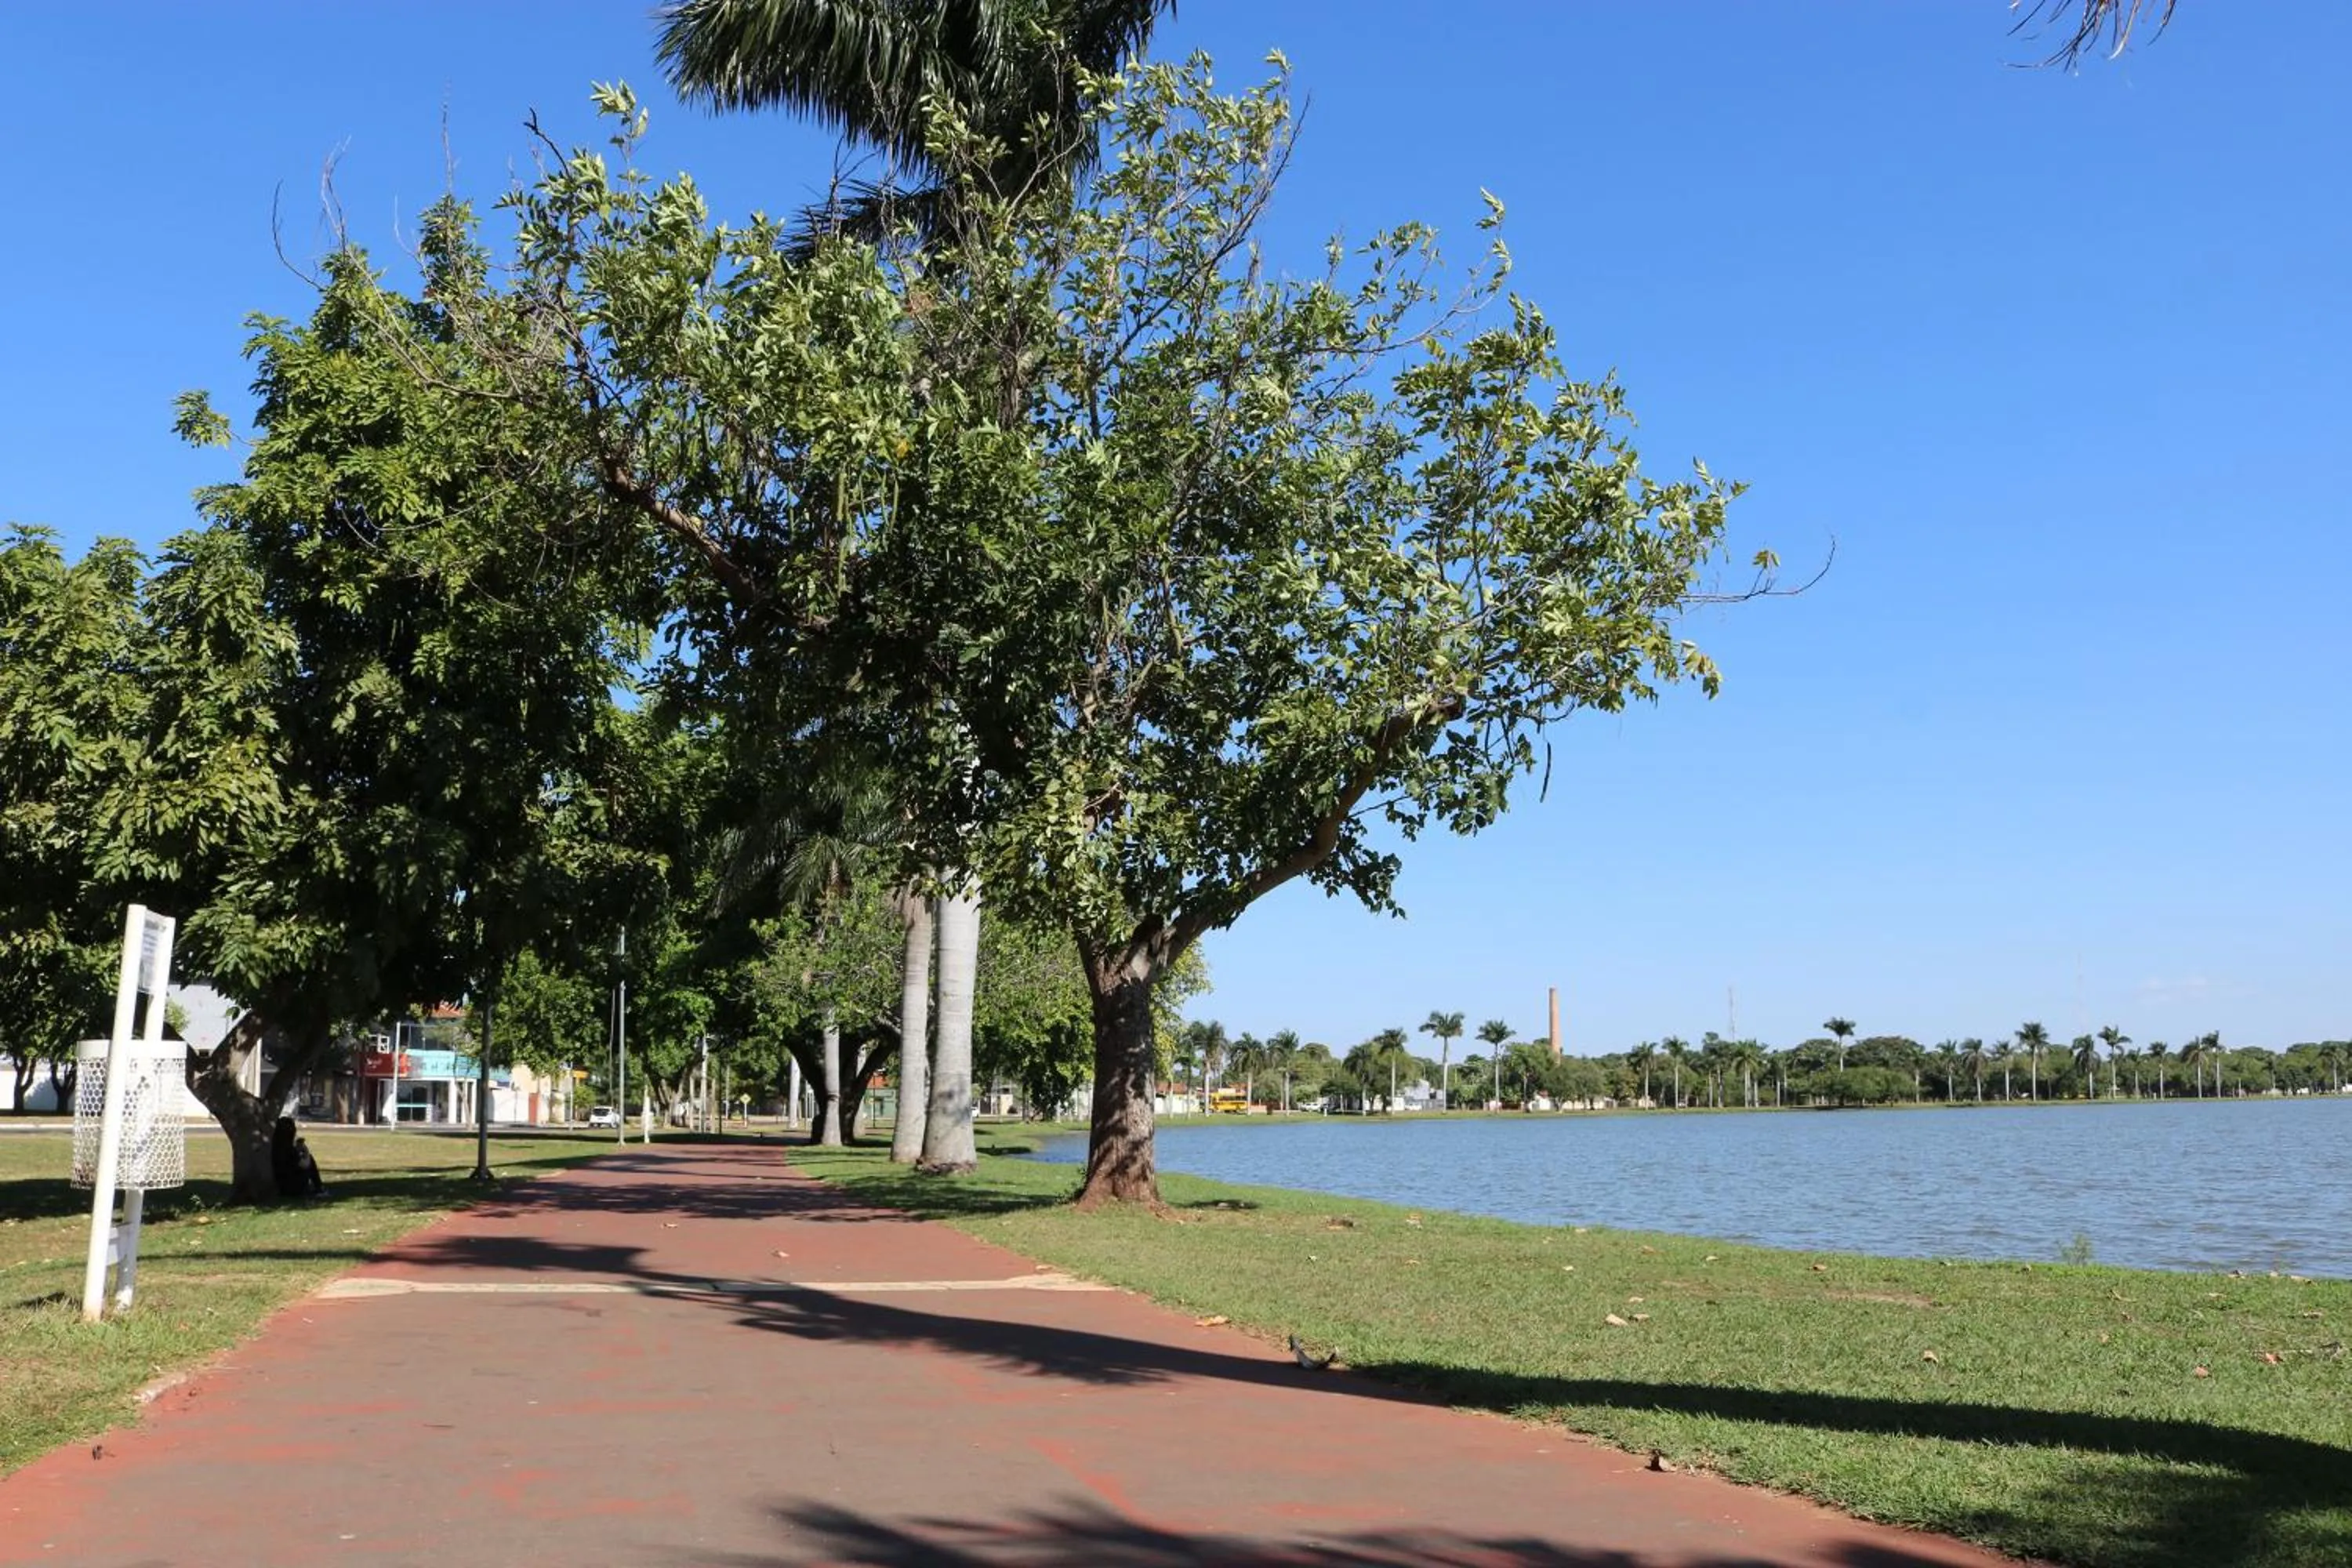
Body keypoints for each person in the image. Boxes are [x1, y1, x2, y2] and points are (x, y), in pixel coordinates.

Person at [270, 1116, 328, 1200]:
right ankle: (319, 1188)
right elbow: (305, 1165)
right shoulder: (289, 1150)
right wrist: (306, 1151)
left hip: (278, 1184)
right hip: (291, 1188)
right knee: (310, 1160)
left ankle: (319, 1187)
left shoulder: (273, 1147)